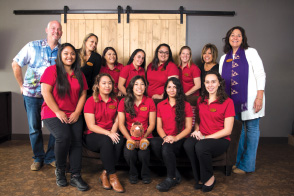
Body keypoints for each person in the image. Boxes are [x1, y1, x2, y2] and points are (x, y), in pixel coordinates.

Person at [11, 20, 62, 171]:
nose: (56, 31)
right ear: (46, 30)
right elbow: (16, 63)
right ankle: (38, 158)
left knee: (55, 128)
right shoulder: (32, 46)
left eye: (59, 29)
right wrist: (21, 85)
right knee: (34, 128)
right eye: (53, 28)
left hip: (53, 97)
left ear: (62, 33)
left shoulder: (63, 51)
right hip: (32, 95)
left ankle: (51, 157)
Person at [41, 43, 89, 191]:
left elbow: (83, 94)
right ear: (60, 55)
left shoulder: (79, 73)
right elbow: (45, 92)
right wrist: (57, 111)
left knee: (76, 141)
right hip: (52, 112)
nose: (70, 56)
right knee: (63, 136)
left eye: (72, 54)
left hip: (73, 112)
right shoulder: (52, 70)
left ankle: (75, 176)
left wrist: (77, 112)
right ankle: (60, 171)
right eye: (66, 53)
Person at [219, 26, 266, 174]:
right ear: (228, 38)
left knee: (251, 130)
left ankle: (247, 165)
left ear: (243, 38)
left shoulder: (251, 53)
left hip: (251, 99)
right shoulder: (223, 57)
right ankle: (236, 161)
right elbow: (222, 81)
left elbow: (260, 75)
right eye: (232, 35)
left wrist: (260, 97)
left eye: (239, 35)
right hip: (232, 102)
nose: (235, 38)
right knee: (238, 132)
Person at [184, 71, 235, 192]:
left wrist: (206, 138)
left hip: (221, 140)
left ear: (219, 84)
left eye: (213, 82)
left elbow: (228, 130)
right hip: (203, 136)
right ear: (204, 84)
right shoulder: (201, 100)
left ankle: (209, 177)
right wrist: (197, 130)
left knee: (201, 146)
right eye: (207, 82)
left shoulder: (228, 102)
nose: (210, 85)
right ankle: (200, 178)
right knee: (188, 144)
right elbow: (198, 120)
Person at [83, 73, 124, 193]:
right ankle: (113, 176)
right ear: (97, 85)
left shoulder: (115, 100)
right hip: (92, 135)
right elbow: (91, 125)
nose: (107, 86)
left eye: (110, 83)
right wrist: (108, 133)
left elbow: (117, 119)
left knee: (119, 140)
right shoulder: (91, 101)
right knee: (107, 140)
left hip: (109, 133)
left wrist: (113, 131)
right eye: (104, 83)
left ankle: (104, 173)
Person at [151, 77, 193, 192]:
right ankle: (176, 173)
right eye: (169, 87)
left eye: (175, 87)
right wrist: (165, 137)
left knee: (166, 147)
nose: (172, 89)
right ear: (165, 89)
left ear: (179, 89)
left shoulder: (186, 105)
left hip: (180, 139)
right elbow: (159, 127)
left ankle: (171, 178)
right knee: (154, 143)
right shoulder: (160, 105)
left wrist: (175, 138)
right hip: (166, 137)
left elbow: (189, 128)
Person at [118, 75, 156, 184]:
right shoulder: (124, 102)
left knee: (143, 153)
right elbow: (121, 124)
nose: (139, 87)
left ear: (145, 87)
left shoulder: (149, 101)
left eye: (142, 84)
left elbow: (152, 124)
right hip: (129, 137)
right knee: (130, 153)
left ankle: (145, 174)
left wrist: (143, 137)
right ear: (132, 87)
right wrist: (130, 139)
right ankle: (133, 173)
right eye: (136, 84)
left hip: (145, 137)